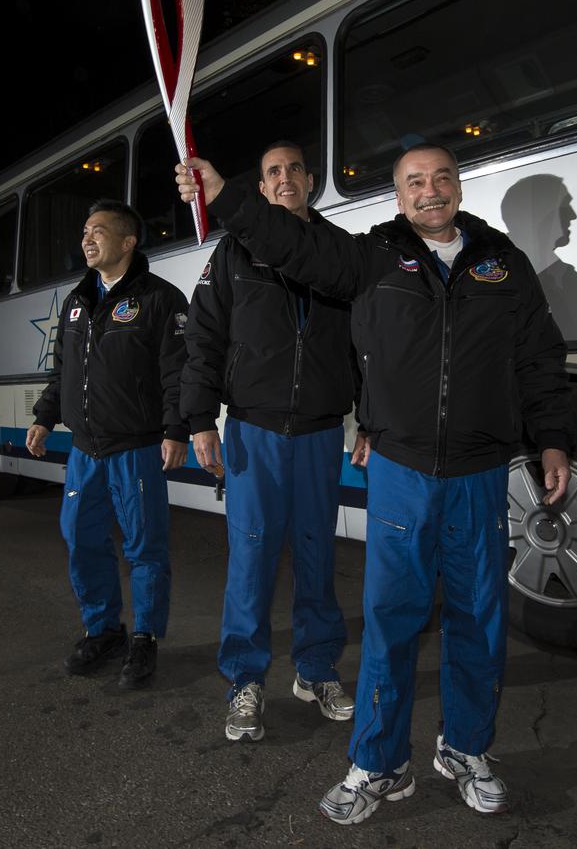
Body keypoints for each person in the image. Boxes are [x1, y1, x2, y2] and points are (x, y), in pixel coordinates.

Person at [176, 145, 574, 823]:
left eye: (441, 178)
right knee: (392, 619)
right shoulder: (371, 256)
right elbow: (293, 246)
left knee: (479, 617)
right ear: (397, 195)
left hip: (480, 471)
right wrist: (228, 196)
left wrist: (554, 437)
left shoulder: (501, 262)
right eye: (414, 181)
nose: (430, 190)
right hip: (401, 470)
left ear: (457, 186)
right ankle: (379, 762)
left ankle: (467, 749)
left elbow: (538, 356)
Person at [181, 141, 356, 742]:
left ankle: (316, 669)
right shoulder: (233, 253)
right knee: (252, 559)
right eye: (271, 171)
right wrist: (200, 418)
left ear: (311, 180)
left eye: (293, 169)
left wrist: (374, 421)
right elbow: (202, 338)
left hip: (320, 432)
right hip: (253, 432)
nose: (284, 178)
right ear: (260, 188)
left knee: (317, 557)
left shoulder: (338, 250)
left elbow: (370, 344)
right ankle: (245, 681)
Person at [27, 199, 189, 690]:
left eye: (98, 231)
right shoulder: (77, 300)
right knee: (81, 538)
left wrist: (176, 429)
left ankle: (144, 638)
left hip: (135, 447)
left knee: (144, 546)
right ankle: (103, 630)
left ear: (128, 241)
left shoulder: (161, 299)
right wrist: (44, 417)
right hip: (84, 450)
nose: (87, 239)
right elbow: (64, 371)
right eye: (83, 231)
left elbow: (179, 372)